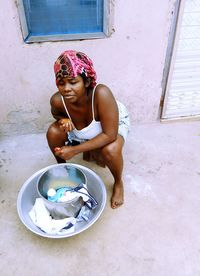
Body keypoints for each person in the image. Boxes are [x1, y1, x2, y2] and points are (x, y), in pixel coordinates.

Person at [46, 50, 130, 209]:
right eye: (61, 83)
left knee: (110, 151)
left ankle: (118, 183)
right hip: (83, 130)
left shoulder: (101, 94)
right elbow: (55, 113)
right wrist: (62, 119)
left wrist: (75, 150)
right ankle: (63, 170)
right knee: (53, 132)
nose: (66, 89)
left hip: (111, 126)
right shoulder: (58, 100)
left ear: (86, 82)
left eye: (73, 82)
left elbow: (110, 134)